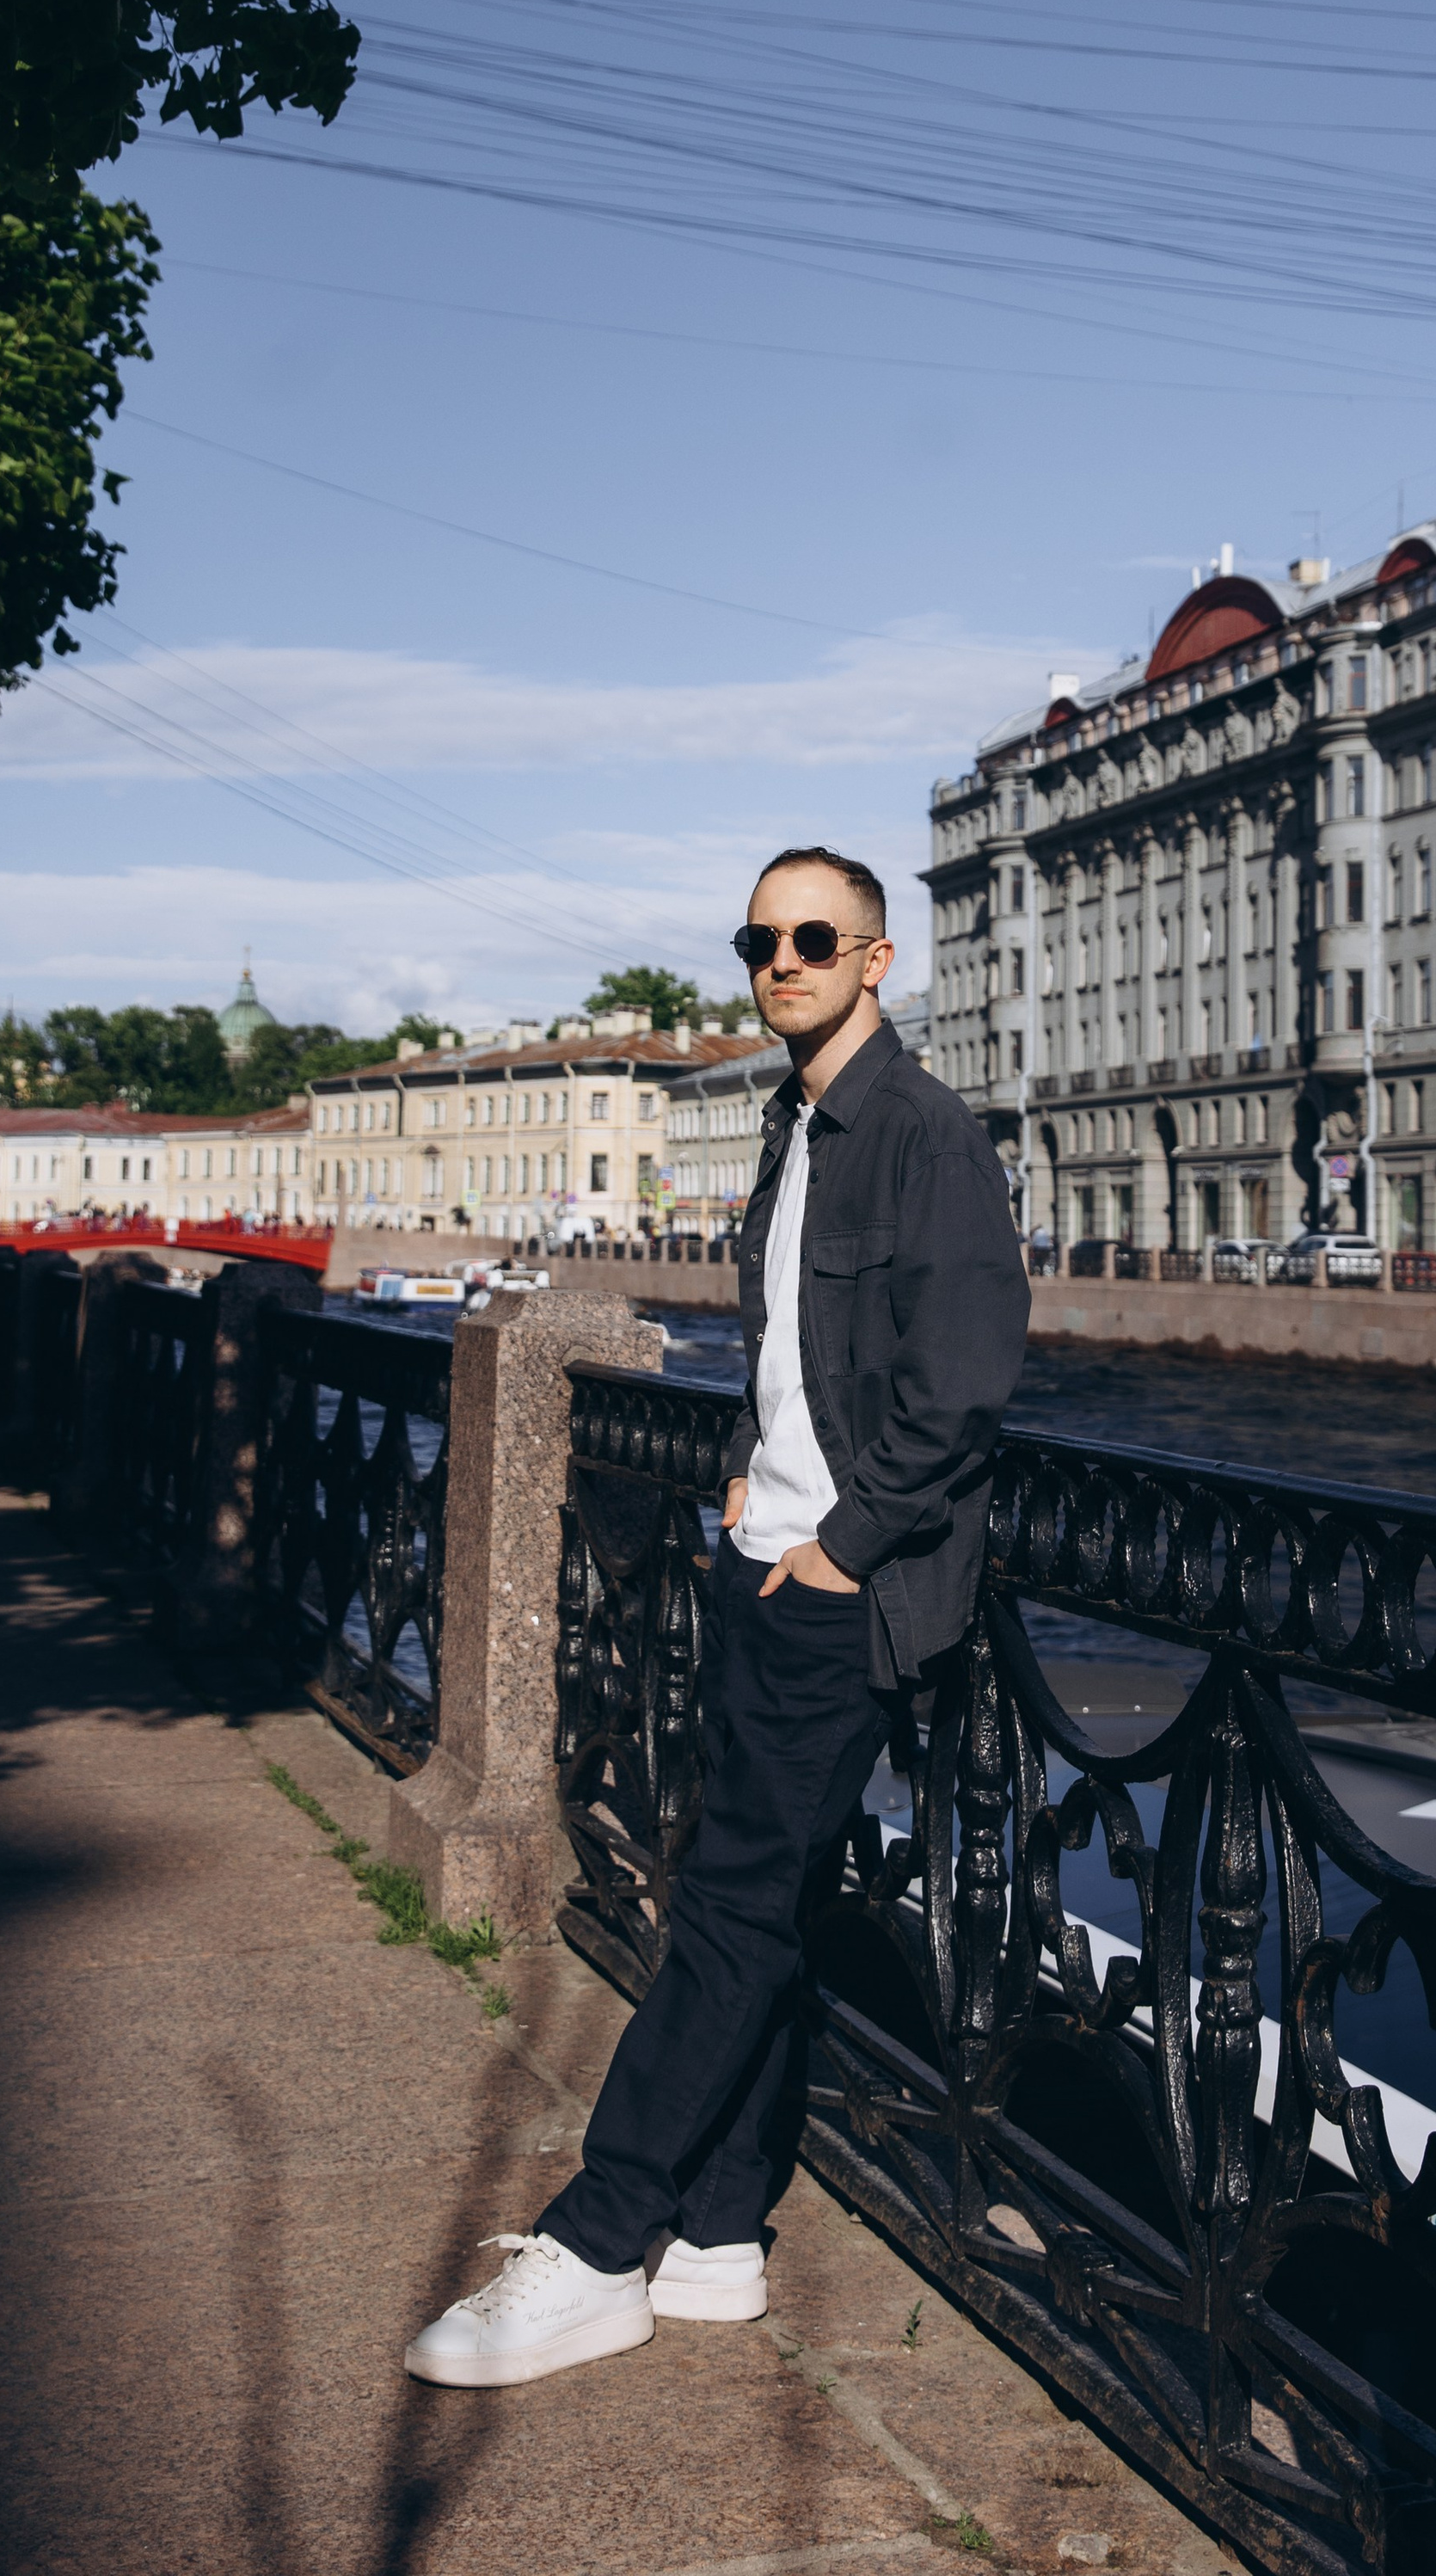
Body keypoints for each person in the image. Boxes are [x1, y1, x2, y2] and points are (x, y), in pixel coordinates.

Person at [405, 843, 1030, 2387]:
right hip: (774, 1557)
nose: (783, 960)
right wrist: (762, 1483)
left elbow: (962, 1380)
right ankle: (722, 2232)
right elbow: (799, 1357)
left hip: (852, 1589)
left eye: (816, 937)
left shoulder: (924, 1138)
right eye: (761, 937)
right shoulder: (794, 1122)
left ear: (878, 960)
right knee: (752, 1903)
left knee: (736, 1908)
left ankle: (602, 2238)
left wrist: (845, 1543)